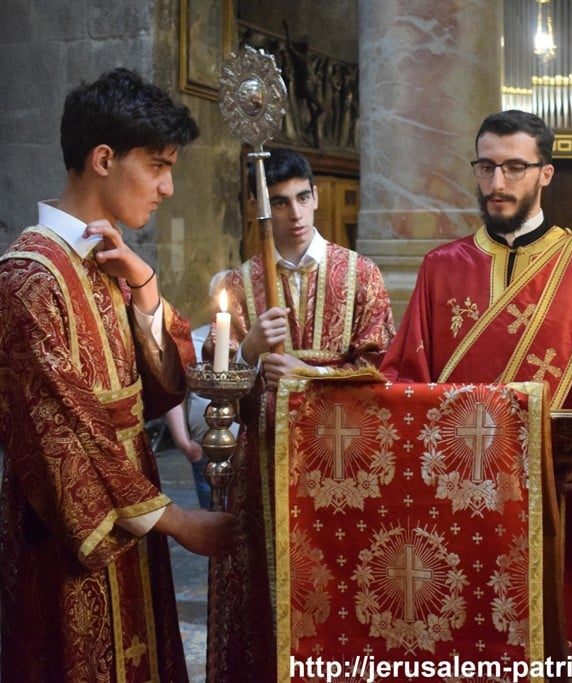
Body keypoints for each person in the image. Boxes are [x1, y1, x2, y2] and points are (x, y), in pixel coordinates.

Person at [0, 68, 237, 682]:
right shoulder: (26, 278)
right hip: (69, 539)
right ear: (104, 159)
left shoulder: (108, 261)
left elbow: (165, 388)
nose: (167, 188)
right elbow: (61, 436)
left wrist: (146, 290)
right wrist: (180, 522)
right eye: (158, 166)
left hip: (136, 509)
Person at [381, 110, 572, 669]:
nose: (497, 183)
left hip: (551, 497)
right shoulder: (440, 267)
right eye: (486, 167)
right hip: (454, 499)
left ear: (546, 173)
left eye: (514, 168)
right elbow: (402, 377)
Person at [206, 148, 395, 680]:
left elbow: (383, 373)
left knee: (341, 588)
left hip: (341, 464)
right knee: (263, 593)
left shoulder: (361, 274)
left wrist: (307, 375)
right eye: (280, 202)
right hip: (261, 463)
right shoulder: (236, 284)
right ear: (257, 208)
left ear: (315, 197)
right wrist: (247, 350)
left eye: (302, 198)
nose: (294, 213)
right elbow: (216, 389)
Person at [164, 270, 234, 510]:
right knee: (212, 511)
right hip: (204, 449)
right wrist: (183, 442)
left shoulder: (253, 341)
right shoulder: (193, 340)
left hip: (246, 448)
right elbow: (177, 393)